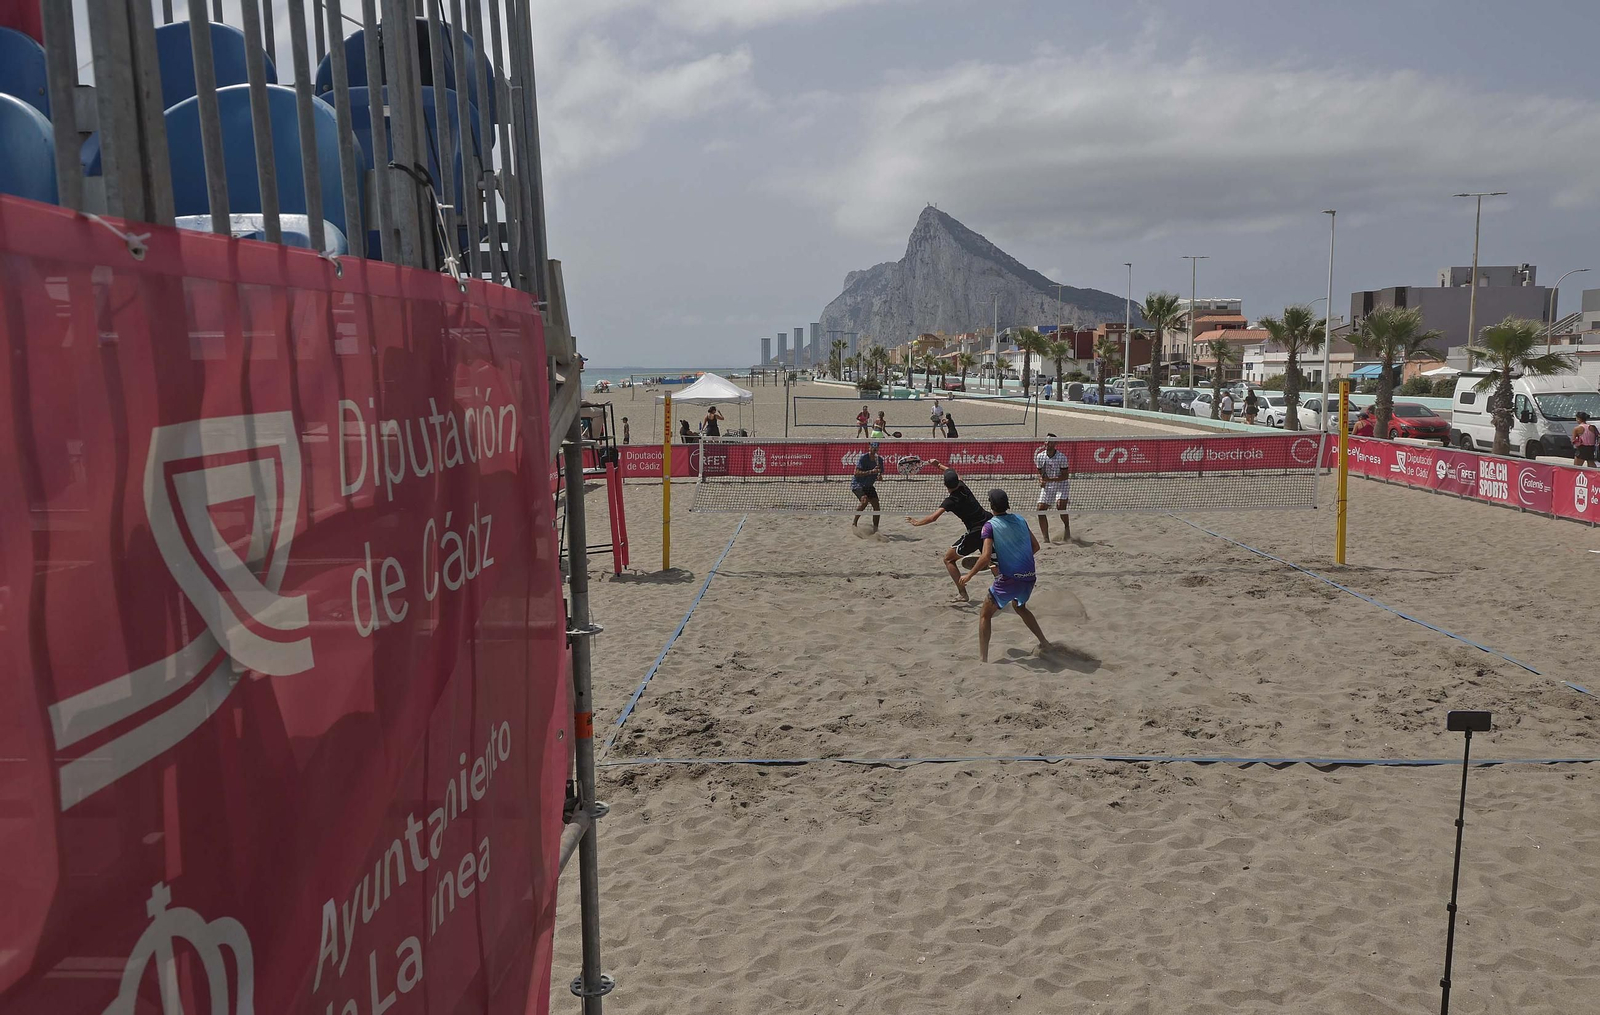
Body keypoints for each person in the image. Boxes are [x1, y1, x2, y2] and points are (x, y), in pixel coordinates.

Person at [959, 489, 1050, 663]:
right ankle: (1045, 642)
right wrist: (1014, 560)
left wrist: (969, 575)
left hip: (1010, 579)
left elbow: (985, 557)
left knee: (985, 614)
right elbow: (1036, 547)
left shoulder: (990, 526)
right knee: (1020, 607)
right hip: (1030, 578)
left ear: (991, 506)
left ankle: (983, 660)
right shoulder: (1021, 519)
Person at [905, 463, 992, 601]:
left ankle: (963, 594)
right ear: (957, 481)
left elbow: (933, 517)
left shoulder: (950, 501)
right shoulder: (964, 486)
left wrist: (916, 523)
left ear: (945, 485)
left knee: (948, 559)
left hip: (976, 532)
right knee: (992, 561)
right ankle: (1007, 590)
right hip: (991, 524)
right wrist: (938, 465)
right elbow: (953, 472)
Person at [1033, 434, 1071, 544]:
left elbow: (1065, 476)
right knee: (1040, 510)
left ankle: (1067, 527)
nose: (1047, 443)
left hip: (1061, 485)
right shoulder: (1040, 456)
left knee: (1060, 506)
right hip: (1049, 485)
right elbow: (1040, 472)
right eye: (1046, 441)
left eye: (1050, 442)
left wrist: (1050, 479)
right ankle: (1046, 538)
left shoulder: (1061, 457)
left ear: (1055, 444)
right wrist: (1041, 480)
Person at [852, 441, 884, 531]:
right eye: (873, 447)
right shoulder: (863, 458)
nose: (874, 449)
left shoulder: (880, 460)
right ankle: (854, 523)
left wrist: (879, 477)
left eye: (876, 447)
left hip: (869, 485)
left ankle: (875, 529)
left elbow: (879, 474)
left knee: (877, 506)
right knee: (864, 501)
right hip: (858, 484)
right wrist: (870, 472)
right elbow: (856, 473)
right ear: (869, 447)